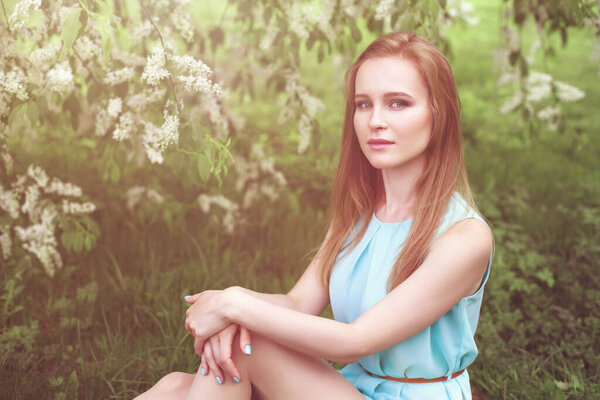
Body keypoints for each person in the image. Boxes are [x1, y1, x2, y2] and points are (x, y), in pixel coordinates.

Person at [135, 31, 493, 400]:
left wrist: (233, 307)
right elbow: (297, 304)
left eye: (398, 103)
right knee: (174, 388)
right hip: (352, 388)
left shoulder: (464, 237)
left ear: (438, 114)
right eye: (364, 104)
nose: (375, 121)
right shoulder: (359, 215)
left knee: (248, 346)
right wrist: (231, 303)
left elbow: (354, 341)